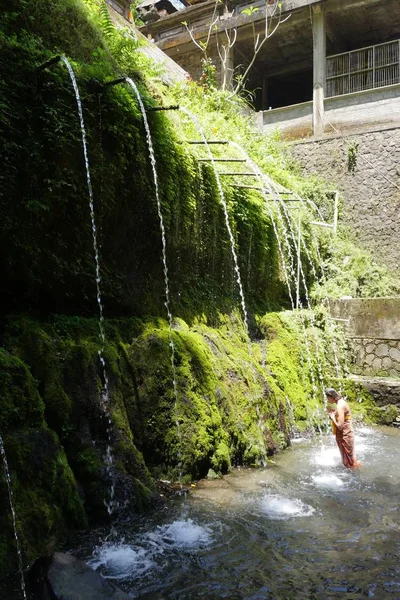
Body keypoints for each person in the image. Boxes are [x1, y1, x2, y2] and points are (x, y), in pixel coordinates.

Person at [325, 388, 361, 469]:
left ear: (331, 397)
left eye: (327, 398)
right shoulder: (341, 403)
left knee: (350, 461)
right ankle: (353, 474)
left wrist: (332, 416)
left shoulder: (340, 406)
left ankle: (355, 477)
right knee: (349, 459)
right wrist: (333, 412)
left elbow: (340, 426)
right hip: (345, 433)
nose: (327, 400)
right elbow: (343, 417)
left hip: (345, 434)